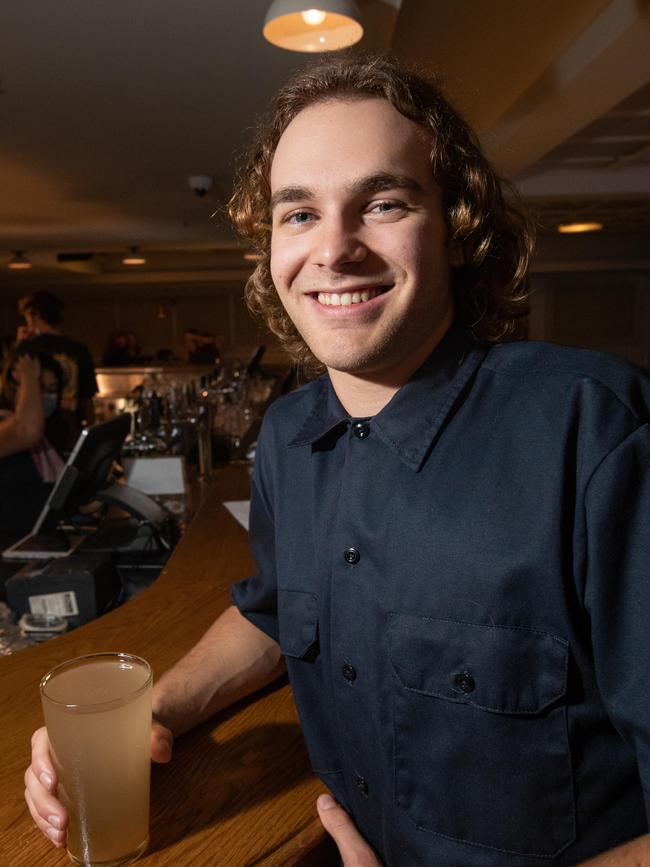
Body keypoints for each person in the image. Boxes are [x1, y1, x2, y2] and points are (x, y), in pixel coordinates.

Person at [25, 55, 650, 866]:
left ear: (458, 228)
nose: (335, 248)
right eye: (299, 214)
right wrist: (155, 709)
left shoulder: (596, 432)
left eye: (383, 202)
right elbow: (279, 611)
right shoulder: (289, 435)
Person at [0, 346, 65, 550]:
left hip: (35, 547)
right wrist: (28, 373)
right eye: (39, 389)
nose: (44, 398)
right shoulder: (7, 425)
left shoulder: (50, 435)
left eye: (52, 390)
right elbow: (27, 429)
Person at [18, 290, 98, 438]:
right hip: (71, 426)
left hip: (38, 426)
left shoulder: (29, 349)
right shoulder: (79, 349)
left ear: (34, 315)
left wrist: (19, 346)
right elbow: (87, 397)